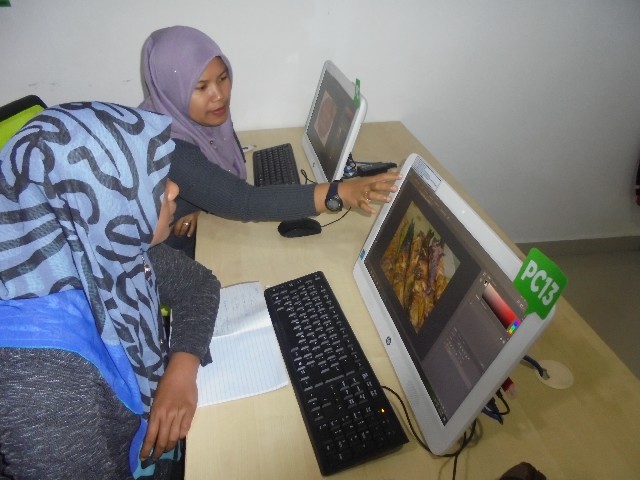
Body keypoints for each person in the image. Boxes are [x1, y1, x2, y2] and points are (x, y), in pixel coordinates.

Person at [0, 101, 220, 479]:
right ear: (101, 199)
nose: (174, 189)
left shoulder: (100, 243)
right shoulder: (43, 378)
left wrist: (181, 370)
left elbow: (199, 286)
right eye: (152, 181)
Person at [139, 26, 401, 257]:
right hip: (165, 261)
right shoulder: (169, 146)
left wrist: (203, 199)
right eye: (201, 87)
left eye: (222, 78)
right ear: (171, 90)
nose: (219, 95)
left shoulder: (183, 118)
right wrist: (339, 193)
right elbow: (243, 201)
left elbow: (207, 178)